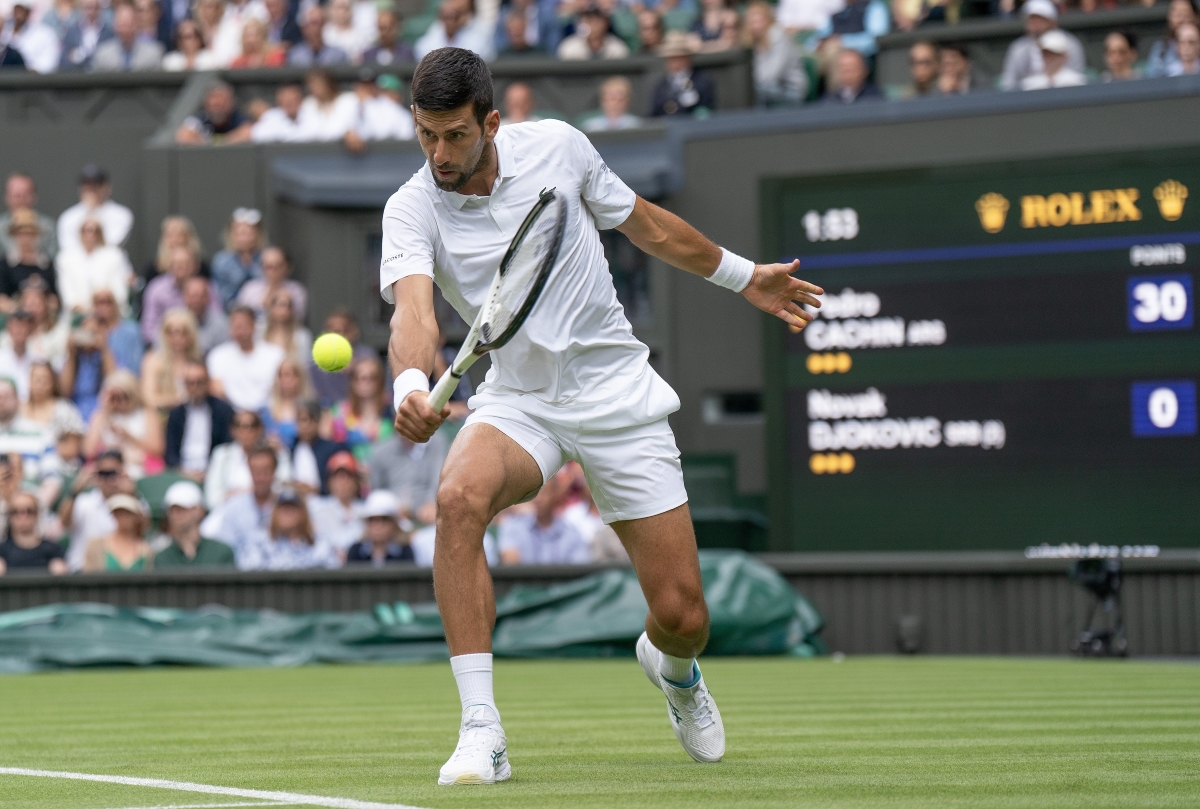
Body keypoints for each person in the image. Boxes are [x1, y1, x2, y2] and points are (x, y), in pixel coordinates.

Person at [381, 48, 821, 783]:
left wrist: (745, 277)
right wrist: (407, 386)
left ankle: (672, 671)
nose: (439, 153)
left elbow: (647, 225)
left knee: (684, 615)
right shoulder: (411, 206)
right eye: (426, 134)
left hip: (615, 391)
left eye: (455, 135)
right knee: (457, 497)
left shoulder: (559, 147)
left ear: (491, 122)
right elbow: (415, 311)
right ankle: (481, 728)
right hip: (520, 401)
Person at [83, 369, 164, 480]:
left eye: (124, 396)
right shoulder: (100, 416)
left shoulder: (147, 414)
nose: (119, 402)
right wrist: (105, 412)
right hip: (108, 470)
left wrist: (128, 436)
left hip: (139, 468)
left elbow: (157, 449)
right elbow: (89, 451)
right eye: (114, 397)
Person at [60, 448, 132, 571]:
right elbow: (64, 522)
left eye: (112, 473)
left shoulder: (132, 502)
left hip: (120, 574)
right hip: (82, 570)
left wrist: (131, 494)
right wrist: (76, 489)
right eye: (103, 473)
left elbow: (142, 529)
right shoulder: (83, 501)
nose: (107, 479)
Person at [496, 470, 589, 565]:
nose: (538, 499)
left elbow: (580, 568)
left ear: (555, 495)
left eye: (544, 493)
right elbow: (511, 565)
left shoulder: (571, 534)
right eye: (534, 493)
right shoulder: (513, 528)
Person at [204, 409, 291, 508]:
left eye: (252, 426)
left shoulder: (274, 453)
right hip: (227, 509)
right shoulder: (222, 454)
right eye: (240, 426)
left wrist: (246, 493)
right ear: (233, 430)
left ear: (260, 429)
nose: (246, 431)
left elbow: (286, 486)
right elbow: (212, 496)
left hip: (267, 509)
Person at [207, 306, 286, 414]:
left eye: (244, 326)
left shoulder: (276, 355)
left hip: (269, 415)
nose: (240, 331)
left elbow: (280, 390)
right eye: (236, 327)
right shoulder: (217, 356)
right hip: (232, 416)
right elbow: (217, 390)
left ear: (254, 326)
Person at [165, 361, 235, 480]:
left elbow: (227, 447)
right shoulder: (176, 414)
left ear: (208, 383)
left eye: (199, 382)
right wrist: (183, 472)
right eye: (190, 383)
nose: (194, 387)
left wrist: (209, 472)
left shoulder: (223, 411)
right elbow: (170, 453)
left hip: (215, 473)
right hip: (181, 473)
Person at [239, 487, 338, 570]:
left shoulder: (320, 545)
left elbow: (332, 575)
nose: (287, 513)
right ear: (274, 513)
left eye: (292, 508)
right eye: (283, 508)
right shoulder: (259, 544)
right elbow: (249, 574)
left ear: (303, 513)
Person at [213, 443, 279, 563]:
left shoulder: (288, 506)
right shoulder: (233, 507)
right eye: (256, 471)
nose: (260, 478)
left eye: (265, 471)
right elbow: (226, 549)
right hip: (241, 577)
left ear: (275, 471)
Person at [999, 0, 1084, 92]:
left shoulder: (1070, 43)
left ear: (1052, 22)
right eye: (1032, 20)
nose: (1037, 26)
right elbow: (1009, 82)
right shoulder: (1018, 49)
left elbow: (1077, 76)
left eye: (1041, 20)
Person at [54, 215, 133, 314]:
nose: (90, 235)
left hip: (112, 313)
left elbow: (119, 290)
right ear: (80, 232)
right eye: (86, 230)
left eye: (94, 231)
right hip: (78, 315)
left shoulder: (114, 255)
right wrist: (85, 310)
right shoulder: (66, 259)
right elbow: (68, 294)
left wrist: (103, 307)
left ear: (100, 233)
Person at [141, 246, 220, 344]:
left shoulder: (207, 287)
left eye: (185, 264)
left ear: (196, 266)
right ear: (169, 266)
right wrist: (174, 343)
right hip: (166, 348)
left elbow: (216, 320)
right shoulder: (156, 289)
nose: (181, 268)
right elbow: (149, 330)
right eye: (176, 264)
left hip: (203, 345)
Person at [322, 355, 393, 464]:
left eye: (372, 377)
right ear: (352, 381)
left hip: (386, 472)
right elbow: (325, 444)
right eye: (359, 377)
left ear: (380, 380)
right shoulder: (339, 411)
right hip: (349, 475)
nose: (365, 382)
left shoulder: (391, 409)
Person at [368, 429, 446, 525]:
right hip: (392, 517)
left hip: (427, 513)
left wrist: (432, 502)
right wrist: (392, 508)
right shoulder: (381, 452)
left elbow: (438, 476)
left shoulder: (436, 442)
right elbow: (377, 492)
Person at [153, 480, 237, 568]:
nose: (176, 515)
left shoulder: (221, 552)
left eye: (183, 509)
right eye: (172, 510)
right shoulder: (162, 558)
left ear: (199, 510)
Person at [57, 164, 133, 255]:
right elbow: (68, 251)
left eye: (96, 183)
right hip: (76, 268)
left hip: (110, 267)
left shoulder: (122, 215)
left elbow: (110, 247)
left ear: (108, 187)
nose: (91, 188)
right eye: (86, 184)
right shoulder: (68, 217)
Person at [742, 1, 807, 107]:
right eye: (752, 22)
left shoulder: (779, 37)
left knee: (755, 92)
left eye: (759, 21)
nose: (756, 26)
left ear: (767, 19)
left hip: (791, 90)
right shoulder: (752, 42)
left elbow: (772, 75)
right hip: (768, 89)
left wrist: (750, 83)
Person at [310, 307, 374, 407]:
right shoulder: (315, 363)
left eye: (344, 330)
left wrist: (354, 370)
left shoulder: (368, 356)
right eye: (334, 331)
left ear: (354, 332)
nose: (339, 336)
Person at [58, 312, 115, 421]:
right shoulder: (74, 358)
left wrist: (105, 349)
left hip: (102, 413)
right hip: (74, 413)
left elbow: (114, 383)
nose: (89, 337)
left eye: (93, 333)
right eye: (85, 332)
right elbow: (64, 392)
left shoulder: (109, 356)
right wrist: (71, 354)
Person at [141, 309, 200, 412]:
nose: (176, 337)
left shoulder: (198, 361)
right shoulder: (153, 361)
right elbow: (149, 399)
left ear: (191, 334)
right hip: (163, 416)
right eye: (170, 332)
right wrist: (178, 401)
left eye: (182, 332)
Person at [307, 450, 365, 552]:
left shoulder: (367, 509)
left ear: (356, 481)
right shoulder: (315, 507)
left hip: (359, 564)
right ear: (329, 481)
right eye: (338, 477)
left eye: (348, 477)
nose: (343, 482)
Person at [344, 70, 416, 149]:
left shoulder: (401, 114)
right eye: (381, 91)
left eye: (387, 91)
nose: (384, 96)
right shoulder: (352, 103)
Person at [1, 209, 57, 311]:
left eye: (29, 234)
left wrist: (39, 305)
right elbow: (2, 299)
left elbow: (54, 300)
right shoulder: (5, 265)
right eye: (21, 234)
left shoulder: (46, 265)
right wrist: (22, 308)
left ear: (36, 236)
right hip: (15, 317)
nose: (25, 239)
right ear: (14, 236)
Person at [0, 491, 67, 575]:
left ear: (37, 514)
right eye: (16, 511)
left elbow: (61, 577)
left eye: (29, 511)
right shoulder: (2, 551)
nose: (23, 516)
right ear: (9, 516)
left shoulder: (52, 549)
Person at [288, 399, 347, 495]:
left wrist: (316, 490)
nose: (304, 426)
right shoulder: (291, 449)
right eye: (300, 420)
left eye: (308, 420)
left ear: (317, 421)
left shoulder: (332, 450)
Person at [82, 493, 153, 572]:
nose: (123, 518)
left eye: (127, 513)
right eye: (118, 513)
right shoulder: (96, 545)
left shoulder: (146, 550)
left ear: (136, 516)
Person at [650, 32, 715, 116]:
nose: (675, 64)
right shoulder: (660, 86)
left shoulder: (702, 81)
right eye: (671, 59)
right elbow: (654, 114)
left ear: (688, 58)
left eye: (678, 58)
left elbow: (707, 111)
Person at [211, 208, 265, 309]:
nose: (245, 238)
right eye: (240, 233)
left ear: (258, 235)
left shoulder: (266, 258)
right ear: (231, 234)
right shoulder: (221, 261)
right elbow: (221, 295)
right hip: (231, 312)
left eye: (249, 233)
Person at [235, 246, 307, 322]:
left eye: (278, 266)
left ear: (287, 267)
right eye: (269, 267)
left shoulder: (297, 291)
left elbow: (298, 319)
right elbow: (240, 318)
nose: (273, 272)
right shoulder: (249, 289)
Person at [346, 489, 414, 565]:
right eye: (373, 520)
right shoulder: (355, 551)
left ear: (394, 524)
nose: (378, 526)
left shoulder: (405, 551)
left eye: (384, 520)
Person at [415, 0, 496, 62]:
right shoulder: (432, 35)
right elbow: (422, 49)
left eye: (453, 18)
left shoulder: (477, 35)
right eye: (447, 18)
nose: (450, 22)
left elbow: (485, 54)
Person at [0, 174, 57, 262]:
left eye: (26, 195)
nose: (21, 200)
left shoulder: (48, 226)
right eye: (17, 195)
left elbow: (53, 259)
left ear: (34, 196)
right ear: (7, 197)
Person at [175, 82, 254, 145]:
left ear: (230, 103)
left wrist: (215, 142)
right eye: (213, 105)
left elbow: (247, 133)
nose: (217, 110)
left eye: (220, 105)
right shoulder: (200, 119)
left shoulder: (239, 118)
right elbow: (183, 136)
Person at [90, 4, 163, 70]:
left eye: (130, 25)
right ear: (115, 26)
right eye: (123, 25)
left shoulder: (153, 54)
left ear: (137, 25)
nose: (126, 30)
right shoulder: (102, 54)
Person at [21, 361, 83, 438]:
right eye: (37, 379)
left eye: (45, 380)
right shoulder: (17, 409)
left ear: (53, 383)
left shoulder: (64, 410)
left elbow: (75, 440)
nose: (40, 385)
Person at [296, 68, 358, 141]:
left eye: (318, 84)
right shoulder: (308, 104)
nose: (314, 88)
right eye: (311, 84)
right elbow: (306, 132)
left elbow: (347, 129)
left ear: (329, 84)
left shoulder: (349, 100)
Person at [261, 357, 311, 448]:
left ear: (300, 378)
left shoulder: (310, 407)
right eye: (282, 375)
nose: (287, 380)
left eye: (292, 375)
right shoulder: (268, 409)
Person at [91, 288, 143, 373]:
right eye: (98, 303)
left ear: (115, 304)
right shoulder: (89, 332)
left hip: (123, 381)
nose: (103, 307)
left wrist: (104, 348)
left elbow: (135, 369)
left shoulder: (131, 331)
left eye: (108, 302)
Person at [1, 1, 60, 74]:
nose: (19, 13)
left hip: (34, 82)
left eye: (22, 9)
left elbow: (48, 65)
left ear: (29, 11)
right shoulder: (4, 33)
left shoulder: (45, 34)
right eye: (17, 9)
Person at [1020, 29, 1087, 90]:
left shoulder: (1077, 81)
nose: (1049, 58)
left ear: (1064, 56)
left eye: (1054, 54)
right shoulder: (1030, 84)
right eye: (1045, 54)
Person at [58, 0, 114, 70]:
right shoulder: (72, 32)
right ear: (82, 9)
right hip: (76, 74)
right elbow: (63, 59)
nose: (92, 12)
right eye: (88, 8)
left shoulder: (108, 33)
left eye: (96, 8)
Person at [1147, 0, 1198, 77]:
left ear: (1195, 17)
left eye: (1185, 14)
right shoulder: (1160, 50)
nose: (1180, 20)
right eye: (1177, 14)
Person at [557, 6, 629, 60]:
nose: (593, 25)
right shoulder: (569, 47)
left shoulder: (617, 48)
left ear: (606, 24)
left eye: (597, 21)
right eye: (589, 20)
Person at [184, 276, 229, 354]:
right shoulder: (175, 322)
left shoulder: (220, 323)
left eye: (200, 296)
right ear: (185, 297)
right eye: (192, 296)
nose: (196, 300)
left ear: (208, 298)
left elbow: (225, 352)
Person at [0, 311, 35, 400]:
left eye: (24, 327)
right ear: (9, 330)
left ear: (31, 331)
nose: (20, 330)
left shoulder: (38, 360)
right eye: (16, 327)